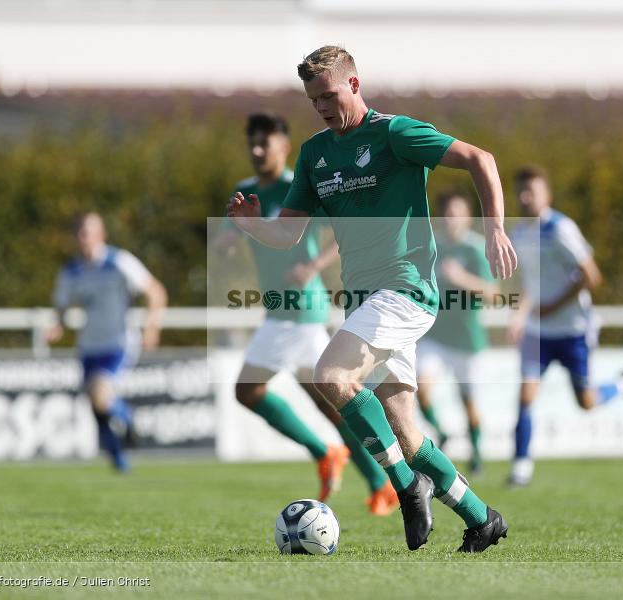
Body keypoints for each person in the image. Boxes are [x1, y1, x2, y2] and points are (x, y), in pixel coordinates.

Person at [228, 46, 517, 553]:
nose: (320, 107)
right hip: (364, 300)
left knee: (332, 376)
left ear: (355, 85)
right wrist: (254, 227)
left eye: (329, 95)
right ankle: (481, 519)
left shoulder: (394, 133)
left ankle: (406, 487)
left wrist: (494, 228)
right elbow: (289, 235)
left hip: (406, 290)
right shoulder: (315, 154)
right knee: (407, 434)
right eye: (313, 100)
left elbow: (480, 159)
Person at [217, 113, 398, 514]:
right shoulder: (244, 190)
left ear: (284, 146)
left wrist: (312, 267)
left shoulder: (297, 186)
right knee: (330, 405)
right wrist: (231, 237)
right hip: (280, 311)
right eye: (252, 143)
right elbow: (240, 232)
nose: (257, 151)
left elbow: (343, 229)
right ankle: (376, 481)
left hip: (300, 311)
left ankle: (329, 454)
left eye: (266, 143)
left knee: (248, 390)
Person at [507, 166, 623, 487]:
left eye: (532, 191)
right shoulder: (519, 233)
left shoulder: (560, 228)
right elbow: (530, 282)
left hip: (572, 330)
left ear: (548, 195)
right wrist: (519, 314)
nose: (525, 198)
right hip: (538, 332)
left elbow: (591, 275)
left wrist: (555, 304)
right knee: (526, 396)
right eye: (521, 192)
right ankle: (521, 468)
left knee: (586, 402)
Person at [48, 212, 168, 472]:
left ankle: (127, 416)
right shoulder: (72, 271)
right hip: (89, 346)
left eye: (89, 233)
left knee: (101, 397)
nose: (84, 239)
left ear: (102, 235)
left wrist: (152, 326)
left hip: (118, 344)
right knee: (95, 404)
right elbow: (62, 304)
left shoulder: (119, 262)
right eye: (80, 233)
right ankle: (119, 459)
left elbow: (156, 292)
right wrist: (57, 324)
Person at [416, 192, 498, 476]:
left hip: (467, 341)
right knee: (420, 389)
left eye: (458, 212)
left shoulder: (476, 249)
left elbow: (492, 293)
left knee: (468, 403)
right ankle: (442, 433)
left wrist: (461, 278)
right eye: (448, 212)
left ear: (468, 217)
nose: (452, 218)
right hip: (434, 336)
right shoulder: (431, 247)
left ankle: (476, 455)